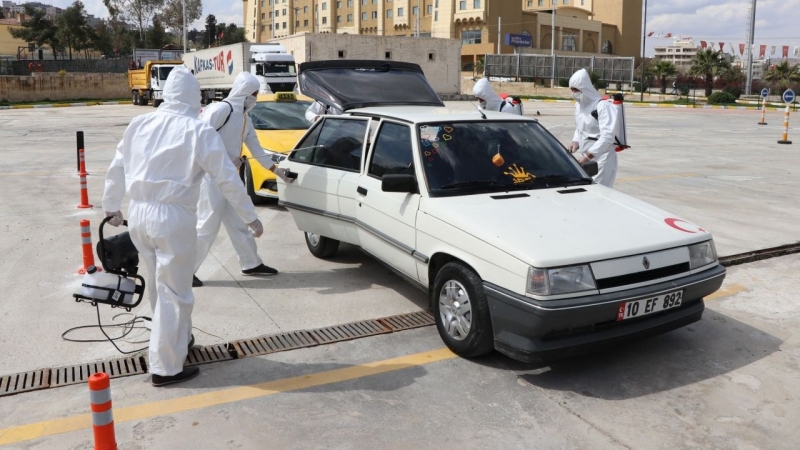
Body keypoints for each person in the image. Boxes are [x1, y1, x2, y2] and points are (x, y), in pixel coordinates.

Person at [102, 67, 263, 387]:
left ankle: (179, 341)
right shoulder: (197, 130)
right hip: (172, 219)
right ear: (193, 96)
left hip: (139, 218)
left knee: (161, 288)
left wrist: (111, 207)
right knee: (175, 293)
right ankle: (165, 367)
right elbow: (227, 178)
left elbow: (117, 165)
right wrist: (250, 216)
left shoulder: (139, 123)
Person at [193, 72, 280, 287]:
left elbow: (255, 146)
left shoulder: (244, 118)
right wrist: (219, 160)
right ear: (243, 92)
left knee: (239, 224)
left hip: (229, 177)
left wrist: (274, 168)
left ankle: (251, 263)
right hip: (212, 177)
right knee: (206, 226)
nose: (255, 97)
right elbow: (199, 137)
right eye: (253, 93)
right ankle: (185, 271)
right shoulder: (222, 109)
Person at [567, 68, 619, 188]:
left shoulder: (603, 106)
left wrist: (587, 157)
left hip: (602, 159)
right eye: (572, 90)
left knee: (598, 193)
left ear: (584, 89)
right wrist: (576, 141)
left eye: (576, 90)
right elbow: (580, 128)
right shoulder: (579, 106)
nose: (574, 92)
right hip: (585, 158)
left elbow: (607, 137)